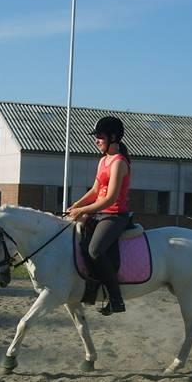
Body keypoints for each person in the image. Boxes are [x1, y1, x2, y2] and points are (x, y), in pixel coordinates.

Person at [67, 116, 131, 315]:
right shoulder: (103, 160)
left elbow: (110, 199)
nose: (97, 140)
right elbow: (95, 191)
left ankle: (116, 299)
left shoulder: (119, 163)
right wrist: (76, 205)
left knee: (95, 250)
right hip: (98, 213)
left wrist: (84, 211)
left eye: (100, 136)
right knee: (79, 242)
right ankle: (92, 286)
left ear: (113, 137)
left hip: (114, 216)